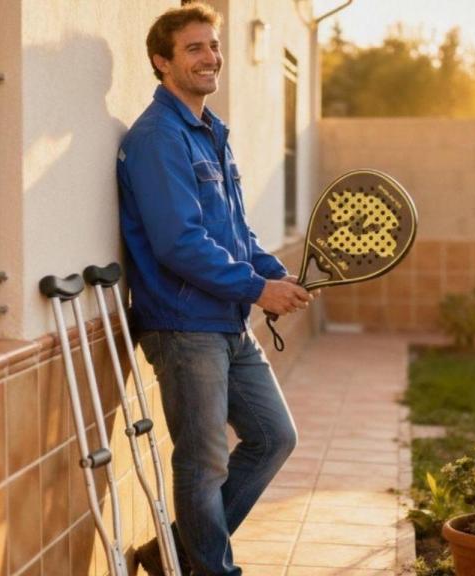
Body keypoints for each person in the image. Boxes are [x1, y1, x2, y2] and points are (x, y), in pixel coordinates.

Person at [116, 4, 314, 575]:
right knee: (203, 465)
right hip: (182, 325)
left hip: (227, 320)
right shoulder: (157, 138)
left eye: (213, 45)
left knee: (274, 437)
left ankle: (174, 553)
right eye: (194, 48)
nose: (211, 57)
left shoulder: (211, 134)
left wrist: (271, 275)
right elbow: (179, 242)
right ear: (161, 61)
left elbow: (234, 231)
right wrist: (257, 289)